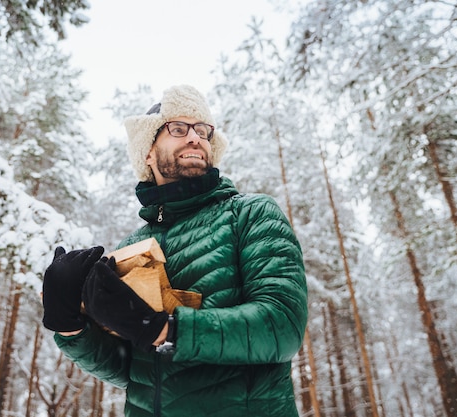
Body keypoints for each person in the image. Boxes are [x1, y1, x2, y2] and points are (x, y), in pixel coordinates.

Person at [42, 85, 308, 417]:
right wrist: (70, 326)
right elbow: (133, 371)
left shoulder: (250, 214)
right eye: (178, 128)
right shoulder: (132, 249)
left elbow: (281, 327)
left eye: (203, 130)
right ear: (147, 153)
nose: (195, 137)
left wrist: (165, 329)